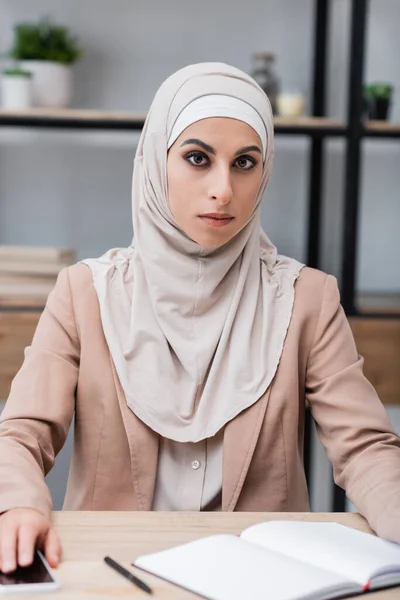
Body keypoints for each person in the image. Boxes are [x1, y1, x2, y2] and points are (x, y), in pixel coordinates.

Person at [0, 62, 400, 575]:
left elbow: (365, 448)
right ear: (154, 161)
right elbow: (21, 436)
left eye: (244, 163)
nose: (223, 190)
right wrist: (16, 503)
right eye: (197, 158)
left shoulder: (305, 298)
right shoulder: (85, 293)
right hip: (113, 574)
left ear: (265, 171)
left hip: (263, 580)